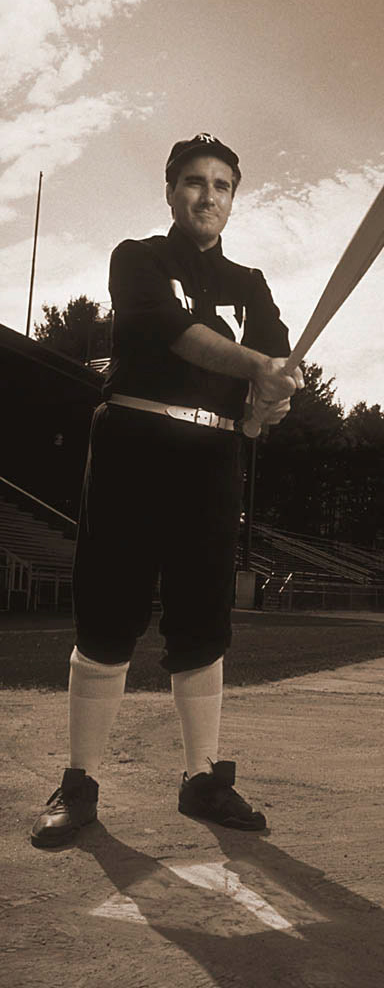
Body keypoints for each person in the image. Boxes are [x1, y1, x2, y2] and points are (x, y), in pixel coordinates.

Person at [31, 132, 303, 848]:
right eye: (193, 182)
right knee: (109, 615)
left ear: (233, 199)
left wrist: (267, 404)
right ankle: (79, 780)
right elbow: (178, 334)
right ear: (171, 191)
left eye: (221, 185)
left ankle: (202, 778)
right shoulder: (139, 258)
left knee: (204, 623)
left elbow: (265, 394)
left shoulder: (253, 286)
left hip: (211, 458)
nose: (207, 195)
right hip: (134, 445)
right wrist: (260, 368)